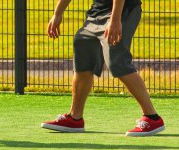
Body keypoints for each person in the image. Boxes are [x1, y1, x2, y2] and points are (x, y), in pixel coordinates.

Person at [41, 0, 165, 136]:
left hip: (122, 11)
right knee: (83, 47)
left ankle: (152, 118)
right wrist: (57, 14)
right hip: (96, 13)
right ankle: (74, 118)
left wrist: (115, 20)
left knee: (117, 61)